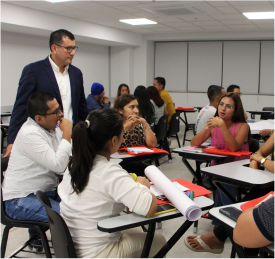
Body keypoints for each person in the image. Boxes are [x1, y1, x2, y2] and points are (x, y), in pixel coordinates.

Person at [58, 109, 166, 259]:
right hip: (98, 253)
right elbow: (149, 208)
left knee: (136, 231)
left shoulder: (74, 165)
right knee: (159, 241)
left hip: (75, 247)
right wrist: (142, 185)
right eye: (122, 133)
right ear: (114, 141)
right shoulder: (109, 171)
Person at [2, 92, 72, 249]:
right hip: (19, 199)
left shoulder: (52, 128)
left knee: (81, 206)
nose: (60, 115)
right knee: (69, 218)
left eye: (59, 109)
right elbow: (59, 165)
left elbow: (68, 153)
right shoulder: (30, 134)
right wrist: (68, 132)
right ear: (39, 118)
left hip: (44, 192)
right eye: (55, 112)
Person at [4, 29, 88, 157]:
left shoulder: (76, 73)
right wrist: (12, 141)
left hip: (72, 139)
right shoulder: (34, 70)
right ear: (54, 48)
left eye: (74, 48)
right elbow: (21, 107)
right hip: (44, 139)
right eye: (68, 48)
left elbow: (81, 108)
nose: (73, 53)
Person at [185, 93, 251, 254]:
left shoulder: (242, 126)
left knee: (224, 183)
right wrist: (208, 128)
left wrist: (221, 126)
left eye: (229, 106)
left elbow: (234, 147)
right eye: (221, 104)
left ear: (236, 110)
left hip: (238, 173)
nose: (223, 108)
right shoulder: (214, 124)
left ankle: (218, 234)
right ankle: (219, 231)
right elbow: (194, 143)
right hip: (218, 172)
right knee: (219, 181)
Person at [114, 94, 157, 176]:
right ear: (120, 110)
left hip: (136, 164)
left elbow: (152, 144)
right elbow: (111, 143)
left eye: (137, 107)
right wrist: (125, 127)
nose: (136, 111)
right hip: (118, 166)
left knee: (154, 172)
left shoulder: (138, 125)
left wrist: (144, 123)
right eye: (132, 107)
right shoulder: (114, 125)